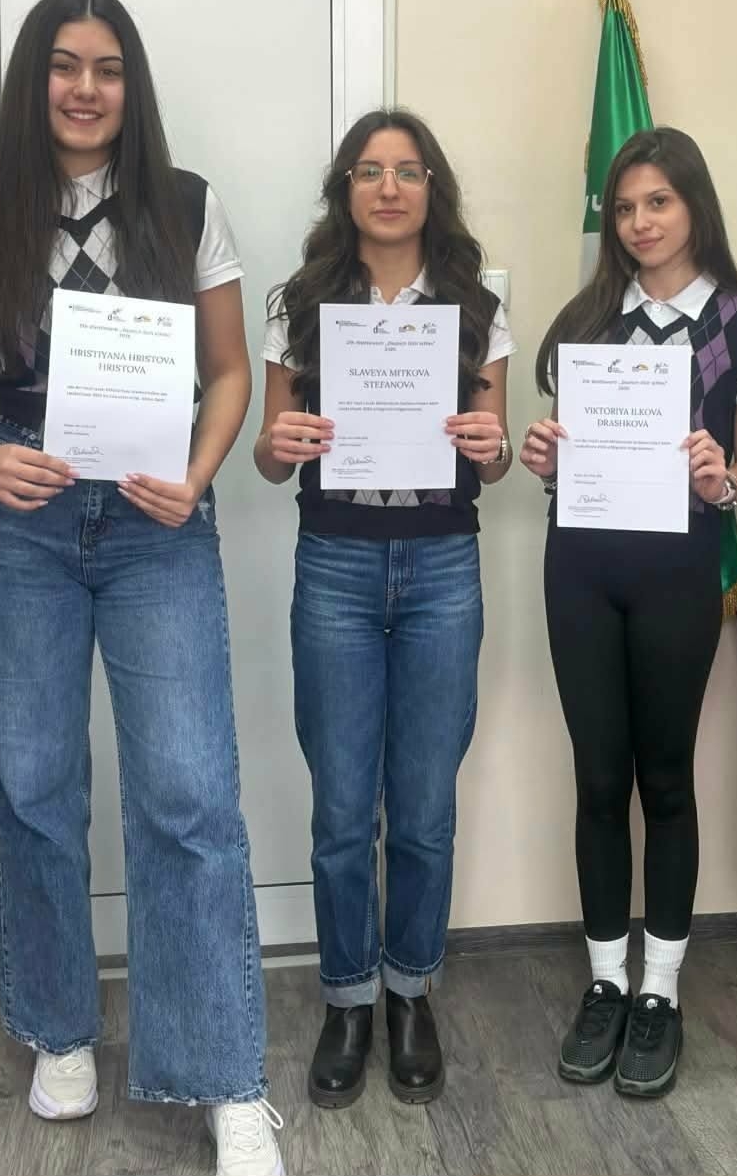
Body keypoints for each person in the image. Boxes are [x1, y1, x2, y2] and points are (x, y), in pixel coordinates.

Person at [0, 0, 282, 1176]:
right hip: (17, 525)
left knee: (189, 793)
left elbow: (227, 373)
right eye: (64, 65)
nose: (86, 88)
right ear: (34, 81)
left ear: (132, 87)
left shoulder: (185, 205)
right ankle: (59, 1028)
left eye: (108, 68)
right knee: (33, 785)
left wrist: (195, 472)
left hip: (153, 519)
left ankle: (225, 1074)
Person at [255, 109, 512, 1110]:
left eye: (407, 171)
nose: (389, 187)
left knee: (424, 807)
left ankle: (410, 991)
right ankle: (347, 997)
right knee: (339, 807)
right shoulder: (301, 304)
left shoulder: (477, 303)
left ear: (431, 187)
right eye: (369, 171)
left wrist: (490, 444)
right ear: (346, 190)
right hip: (337, 567)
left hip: (443, 565)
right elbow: (267, 455)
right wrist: (283, 441)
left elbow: (494, 448)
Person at [518, 126, 737, 1100]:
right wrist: (545, 452)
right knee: (596, 777)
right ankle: (604, 982)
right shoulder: (585, 318)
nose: (638, 222)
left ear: (693, 204)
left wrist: (724, 478)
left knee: (664, 779)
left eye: (657, 201)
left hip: (678, 572)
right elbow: (562, 444)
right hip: (581, 568)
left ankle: (659, 989)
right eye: (623, 207)